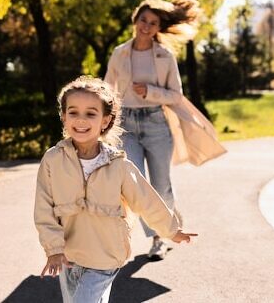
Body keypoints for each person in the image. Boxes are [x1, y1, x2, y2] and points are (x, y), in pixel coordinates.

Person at [34, 76, 197, 303]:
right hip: (68, 255)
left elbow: (145, 199)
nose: (81, 120)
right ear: (63, 116)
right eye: (73, 112)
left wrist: (170, 230)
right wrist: (53, 249)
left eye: (91, 113)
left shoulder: (118, 164)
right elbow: (43, 207)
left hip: (106, 255)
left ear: (105, 120)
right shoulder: (52, 160)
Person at [104, 0, 225, 261]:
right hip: (127, 126)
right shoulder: (119, 53)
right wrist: (102, 118)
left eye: (153, 23)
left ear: (159, 27)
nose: (146, 26)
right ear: (135, 20)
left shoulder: (164, 56)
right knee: (138, 184)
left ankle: (162, 237)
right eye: (143, 20)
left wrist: (150, 91)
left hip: (156, 124)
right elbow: (107, 88)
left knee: (161, 184)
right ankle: (161, 230)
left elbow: (175, 95)